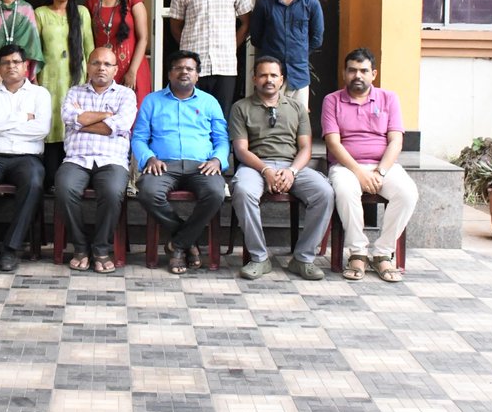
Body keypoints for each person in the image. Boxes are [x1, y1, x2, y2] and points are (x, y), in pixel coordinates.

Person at [229, 56, 333, 281]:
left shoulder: (297, 108)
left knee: (324, 192)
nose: (269, 80)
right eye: (263, 75)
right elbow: (241, 150)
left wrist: (292, 171)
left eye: (273, 75)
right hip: (255, 166)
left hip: (292, 166)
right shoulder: (241, 107)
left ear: (282, 79)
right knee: (243, 191)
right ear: (254, 79)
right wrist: (265, 170)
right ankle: (259, 258)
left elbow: (305, 148)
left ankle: (303, 258)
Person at [321, 47, 419, 283]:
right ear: (344, 73)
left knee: (407, 193)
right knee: (345, 190)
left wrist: (380, 171)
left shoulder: (388, 98)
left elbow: (396, 140)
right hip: (346, 167)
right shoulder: (332, 100)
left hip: (383, 166)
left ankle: (383, 253)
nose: (358, 75)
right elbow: (333, 143)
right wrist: (358, 172)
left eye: (364, 70)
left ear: (373, 74)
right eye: (352, 70)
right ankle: (358, 253)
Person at [132, 50, 229, 275]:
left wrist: (217, 160)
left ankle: (177, 245)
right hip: (163, 165)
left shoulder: (209, 102)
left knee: (215, 193)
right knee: (148, 191)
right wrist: (149, 158)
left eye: (189, 69)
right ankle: (188, 242)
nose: (184, 72)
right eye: (178, 68)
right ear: (169, 73)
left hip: (202, 166)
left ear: (197, 75)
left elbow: (222, 139)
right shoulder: (152, 101)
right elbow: (138, 138)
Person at [0, 44, 52, 272]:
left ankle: (10, 249)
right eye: (5, 63)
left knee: (34, 182)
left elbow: (41, 130)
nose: (11, 66)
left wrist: (0, 126)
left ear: (26, 66)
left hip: (27, 158)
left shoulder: (40, 94)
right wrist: (23, 117)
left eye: (16, 62)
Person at [56, 47, 137, 274]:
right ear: (88, 67)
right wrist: (107, 116)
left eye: (107, 64)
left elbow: (121, 125)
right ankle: (81, 246)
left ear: (115, 69)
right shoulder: (74, 92)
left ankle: (101, 248)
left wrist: (83, 121)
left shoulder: (125, 94)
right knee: (64, 189)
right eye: (96, 63)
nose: (101, 68)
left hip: (112, 160)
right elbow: (69, 117)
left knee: (112, 192)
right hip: (76, 158)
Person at [168, 0, 253, 118]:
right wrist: (189, 49)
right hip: (192, 66)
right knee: (192, 116)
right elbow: (175, 25)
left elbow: (246, 23)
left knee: (221, 117)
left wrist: (231, 46)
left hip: (225, 65)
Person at [35, 0, 93, 188]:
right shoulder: (40, 13)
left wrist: (90, 80)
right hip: (49, 79)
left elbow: (89, 48)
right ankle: (51, 179)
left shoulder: (81, 13)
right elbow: (35, 50)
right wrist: (34, 79)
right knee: (52, 124)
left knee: (74, 121)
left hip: (76, 79)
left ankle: (74, 179)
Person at [249, 0, 325, 110]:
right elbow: (256, 38)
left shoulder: (311, 4)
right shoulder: (264, 4)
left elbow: (317, 38)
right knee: (268, 117)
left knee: (299, 118)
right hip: (271, 75)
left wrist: (299, 53)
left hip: (299, 74)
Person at [88, 0, 151, 108]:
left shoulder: (132, 0)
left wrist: (132, 71)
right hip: (104, 70)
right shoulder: (91, 3)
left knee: (134, 111)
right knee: (104, 111)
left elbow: (143, 38)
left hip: (132, 68)